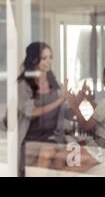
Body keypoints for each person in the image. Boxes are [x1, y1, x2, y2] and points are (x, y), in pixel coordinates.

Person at [54, 62, 105, 173]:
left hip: (102, 148)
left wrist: (74, 105)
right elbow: (104, 114)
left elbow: (85, 126)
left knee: (62, 156)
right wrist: (89, 100)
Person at [16, 42, 69, 176]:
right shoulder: (23, 85)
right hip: (31, 138)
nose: (49, 61)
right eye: (44, 58)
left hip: (52, 137)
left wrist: (75, 99)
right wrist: (60, 101)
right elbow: (32, 113)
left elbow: (63, 112)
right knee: (47, 155)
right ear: (34, 59)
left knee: (59, 160)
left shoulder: (54, 82)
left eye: (50, 57)